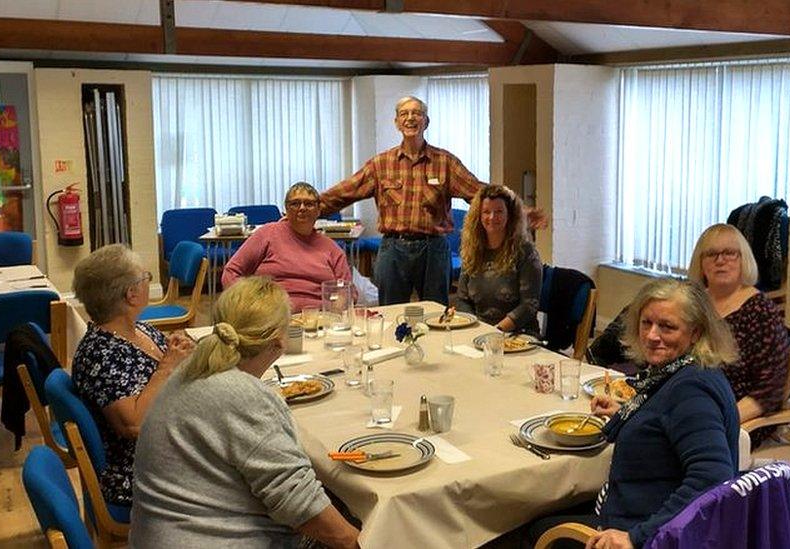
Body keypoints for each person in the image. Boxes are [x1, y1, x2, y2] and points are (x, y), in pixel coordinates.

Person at [131, 277, 360, 548]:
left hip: (165, 531)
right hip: (206, 538)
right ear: (279, 342)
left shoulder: (193, 367)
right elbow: (297, 502)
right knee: (369, 522)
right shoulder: (240, 394)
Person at [529, 278, 739, 549]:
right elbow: (666, 421)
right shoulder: (679, 371)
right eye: (646, 323)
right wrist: (629, 413)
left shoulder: (692, 390)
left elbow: (712, 477)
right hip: (636, 509)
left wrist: (637, 536)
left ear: (695, 333)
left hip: (647, 531)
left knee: (531, 529)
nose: (652, 335)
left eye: (667, 327)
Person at [318, 95, 546, 306]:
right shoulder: (381, 164)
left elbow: (480, 192)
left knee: (435, 314)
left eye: (417, 113)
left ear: (426, 122)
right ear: (397, 122)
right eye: (404, 114)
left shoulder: (445, 162)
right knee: (389, 312)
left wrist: (520, 209)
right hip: (393, 248)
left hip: (433, 248)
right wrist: (309, 208)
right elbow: (344, 192)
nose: (410, 118)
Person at [71, 244, 195, 506]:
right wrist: (167, 367)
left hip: (169, 444)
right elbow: (135, 425)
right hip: (143, 472)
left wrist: (177, 351)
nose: (148, 282)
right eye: (145, 278)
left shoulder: (138, 330)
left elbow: (163, 363)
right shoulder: (101, 353)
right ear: (131, 294)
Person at [687, 223, 790, 448]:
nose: (720, 260)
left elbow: (769, 391)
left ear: (743, 260)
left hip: (737, 419)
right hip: (691, 407)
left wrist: (721, 420)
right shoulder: (693, 305)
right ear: (701, 264)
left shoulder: (761, 312)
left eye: (729, 253)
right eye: (711, 254)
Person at [222, 182, 353, 312]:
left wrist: (338, 305)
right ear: (285, 209)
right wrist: (249, 303)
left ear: (319, 210)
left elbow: (348, 289)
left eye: (309, 204)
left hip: (318, 318)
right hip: (271, 316)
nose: (302, 208)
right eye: (295, 203)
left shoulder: (332, 249)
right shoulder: (267, 234)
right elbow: (231, 272)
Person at [454, 185, 541, 334]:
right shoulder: (473, 249)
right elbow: (462, 299)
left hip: (518, 335)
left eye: (499, 211)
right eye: (486, 212)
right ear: (479, 216)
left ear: (510, 215)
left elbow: (529, 305)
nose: (492, 217)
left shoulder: (525, 251)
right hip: (479, 332)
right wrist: (474, 330)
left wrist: (495, 332)